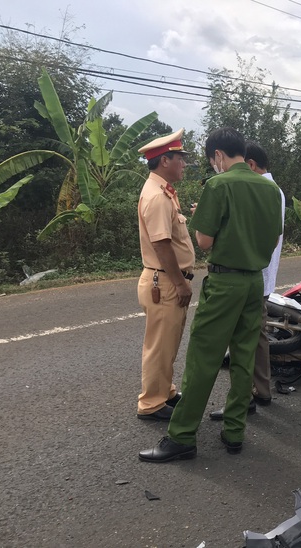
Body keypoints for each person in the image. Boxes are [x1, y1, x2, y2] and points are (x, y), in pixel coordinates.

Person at [139, 127, 282, 462]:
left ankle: (183, 436)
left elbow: (204, 241)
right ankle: (234, 431)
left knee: (203, 358)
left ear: (218, 156)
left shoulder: (217, 185)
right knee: (244, 356)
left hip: (225, 283)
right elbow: (274, 239)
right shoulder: (270, 188)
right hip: (254, 283)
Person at [208, 141, 286, 421]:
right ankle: (260, 390)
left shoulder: (259, 189)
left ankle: (245, 399)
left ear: (250, 165)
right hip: (261, 277)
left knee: (243, 339)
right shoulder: (273, 190)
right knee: (256, 336)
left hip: (248, 276)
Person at [135, 130, 195, 421]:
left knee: (168, 342)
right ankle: (151, 403)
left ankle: (165, 392)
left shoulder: (164, 191)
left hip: (165, 280)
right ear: (164, 161)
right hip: (166, 281)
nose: (184, 163)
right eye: (180, 158)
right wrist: (180, 282)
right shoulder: (157, 196)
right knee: (160, 346)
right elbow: (161, 245)